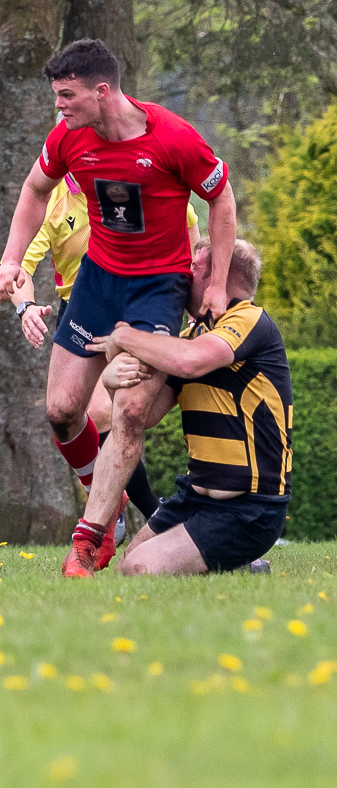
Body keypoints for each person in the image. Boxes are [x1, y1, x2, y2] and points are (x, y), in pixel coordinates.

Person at [0, 38, 238, 577]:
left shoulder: (172, 137)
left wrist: (216, 284)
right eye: (57, 96)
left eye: (67, 96)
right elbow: (34, 190)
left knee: (128, 410)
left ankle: (89, 540)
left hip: (157, 289)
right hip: (98, 283)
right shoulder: (68, 137)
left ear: (102, 91)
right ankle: (107, 496)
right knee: (61, 411)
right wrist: (11, 260)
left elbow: (221, 197)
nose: (59, 106)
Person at [12, 174, 200, 561]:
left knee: (111, 412)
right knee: (63, 413)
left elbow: (190, 229)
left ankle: (141, 517)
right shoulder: (52, 197)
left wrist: (196, 296)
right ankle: (120, 504)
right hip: (81, 310)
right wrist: (25, 307)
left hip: (138, 305)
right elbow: (19, 270)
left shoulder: (132, 177)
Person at [86, 238, 291, 575]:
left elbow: (191, 362)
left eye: (193, 268)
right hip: (195, 499)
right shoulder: (190, 336)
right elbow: (147, 415)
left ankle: (242, 564)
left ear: (219, 276)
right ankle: (239, 568)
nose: (181, 276)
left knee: (139, 569)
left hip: (249, 509)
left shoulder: (249, 320)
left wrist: (123, 337)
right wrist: (111, 383)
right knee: (127, 567)